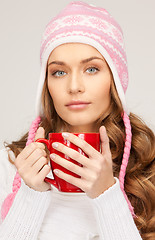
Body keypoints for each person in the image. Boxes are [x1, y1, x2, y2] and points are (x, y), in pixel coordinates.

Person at [0, 1, 154, 239]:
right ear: (46, 83)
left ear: (115, 78)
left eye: (91, 69)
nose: (73, 87)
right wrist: (31, 193)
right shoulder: (11, 166)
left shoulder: (148, 167)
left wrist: (106, 195)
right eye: (59, 72)